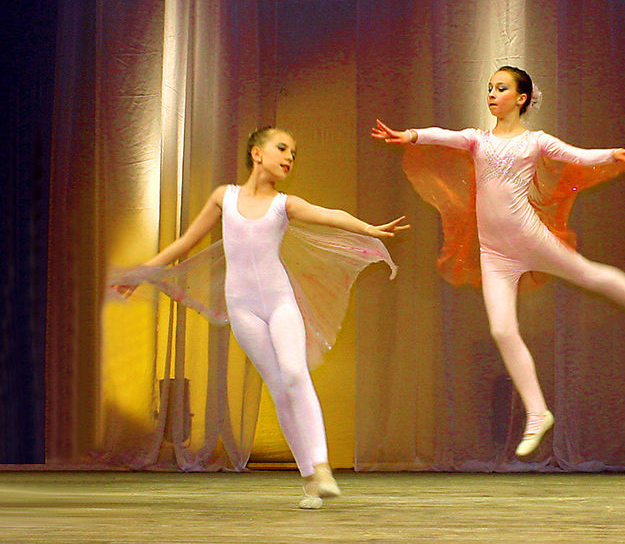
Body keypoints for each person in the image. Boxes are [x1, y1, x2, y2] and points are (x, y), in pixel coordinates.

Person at [371, 65, 625, 458]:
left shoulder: (536, 142)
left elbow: (578, 156)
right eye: (489, 88)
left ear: (521, 99)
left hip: (530, 240)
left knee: (589, 275)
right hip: (495, 253)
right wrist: (410, 136)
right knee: (502, 329)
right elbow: (443, 135)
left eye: (501, 88)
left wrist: (613, 155)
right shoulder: (477, 139)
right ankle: (538, 412)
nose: (492, 94)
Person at [114, 127, 408, 508]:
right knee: (279, 388)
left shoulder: (284, 205)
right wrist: (141, 274)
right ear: (257, 154)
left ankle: (321, 468)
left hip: (280, 302)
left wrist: (368, 229)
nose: (289, 157)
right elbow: (185, 243)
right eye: (282, 148)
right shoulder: (224, 197)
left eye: (294, 153)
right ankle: (309, 479)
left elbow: (328, 215)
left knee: (295, 374)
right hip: (243, 308)